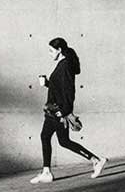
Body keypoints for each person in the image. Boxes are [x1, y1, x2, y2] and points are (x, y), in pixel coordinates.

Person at [31, 35, 107, 183]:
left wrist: (64, 111)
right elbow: (58, 87)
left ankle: (96, 160)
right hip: (53, 109)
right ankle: (94, 160)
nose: (49, 53)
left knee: (52, 138)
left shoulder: (65, 65)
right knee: (59, 140)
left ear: (59, 50)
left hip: (58, 110)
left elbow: (69, 90)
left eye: (51, 50)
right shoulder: (62, 64)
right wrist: (47, 83)